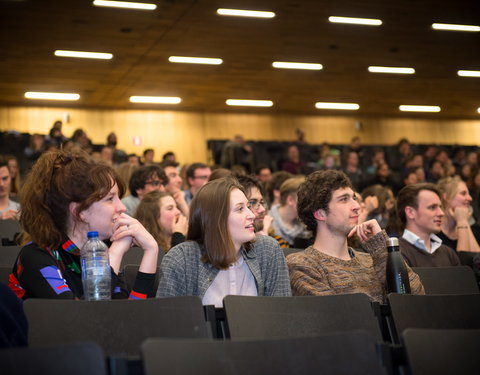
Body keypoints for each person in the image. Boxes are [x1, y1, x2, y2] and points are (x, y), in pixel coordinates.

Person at [9, 150, 158, 300]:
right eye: (110, 199)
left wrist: (151, 251)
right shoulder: (35, 257)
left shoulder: (102, 250)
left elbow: (127, 316)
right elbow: (81, 318)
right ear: (80, 212)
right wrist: (114, 255)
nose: (122, 207)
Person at [287, 170, 424, 303]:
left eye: (354, 198)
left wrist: (382, 248)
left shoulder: (373, 260)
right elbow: (337, 316)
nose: (357, 206)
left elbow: (416, 301)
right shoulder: (302, 264)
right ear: (320, 214)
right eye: (344, 199)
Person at [157, 177, 291, 307]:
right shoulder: (182, 259)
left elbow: (282, 315)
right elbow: (169, 323)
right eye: (240, 209)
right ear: (215, 218)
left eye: (248, 206)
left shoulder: (267, 250)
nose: (252, 215)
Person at [396, 183, 461, 267]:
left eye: (440, 207)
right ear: (410, 212)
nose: (441, 213)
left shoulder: (448, 254)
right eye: (432, 207)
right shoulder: (396, 254)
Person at [437, 176, 480, 253]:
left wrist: (464, 221)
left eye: (469, 194)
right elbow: (461, 261)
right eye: (463, 193)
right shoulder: (434, 234)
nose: (470, 198)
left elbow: (477, 261)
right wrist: (462, 221)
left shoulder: (474, 229)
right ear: (446, 197)